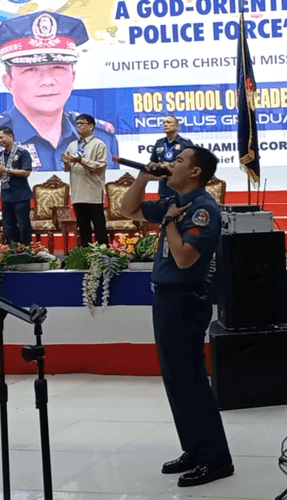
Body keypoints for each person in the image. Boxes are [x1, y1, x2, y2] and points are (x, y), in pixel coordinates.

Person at [120, 146, 233, 487]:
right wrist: (143, 176)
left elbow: (185, 259)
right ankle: (195, 449)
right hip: (167, 299)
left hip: (186, 300)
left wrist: (169, 221)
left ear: (196, 172)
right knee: (175, 380)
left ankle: (216, 459)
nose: (170, 164)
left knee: (191, 380)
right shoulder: (175, 201)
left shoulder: (202, 209)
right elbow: (128, 209)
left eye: (179, 161)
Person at [0, 11, 119, 171]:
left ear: (73, 76)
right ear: (9, 82)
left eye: (58, 68)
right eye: (30, 69)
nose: (47, 81)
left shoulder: (102, 137)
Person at [62, 113, 108, 246]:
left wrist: (81, 160)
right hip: (77, 193)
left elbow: (100, 166)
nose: (79, 126)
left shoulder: (99, 144)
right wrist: (65, 162)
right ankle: (85, 254)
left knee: (99, 226)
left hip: (93, 192)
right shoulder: (72, 145)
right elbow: (67, 168)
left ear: (91, 126)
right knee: (83, 227)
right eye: (77, 124)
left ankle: (103, 253)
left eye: (83, 123)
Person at [0, 126, 32, 244]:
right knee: (8, 226)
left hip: (21, 196)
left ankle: (26, 249)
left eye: (1, 137)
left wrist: (6, 170)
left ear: (10, 136)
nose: (0, 140)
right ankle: (11, 251)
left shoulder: (23, 153)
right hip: (6, 195)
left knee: (23, 225)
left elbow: (26, 172)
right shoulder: (1, 155)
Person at [149, 114, 194, 198]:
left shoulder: (185, 143)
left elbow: (192, 163)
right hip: (164, 186)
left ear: (176, 126)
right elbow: (153, 162)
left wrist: (171, 165)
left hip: (181, 186)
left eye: (169, 122)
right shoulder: (159, 143)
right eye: (164, 123)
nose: (165, 124)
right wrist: (158, 166)